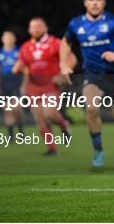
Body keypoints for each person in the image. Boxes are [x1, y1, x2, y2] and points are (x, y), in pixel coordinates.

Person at [60, 0, 114, 170]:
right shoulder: (76, 23)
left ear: (103, 2)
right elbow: (65, 42)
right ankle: (98, 151)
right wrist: (63, 64)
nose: (95, 3)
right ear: (85, 2)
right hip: (92, 76)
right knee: (91, 109)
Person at [17, 17, 74, 155]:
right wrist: (23, 85)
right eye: (33, 27)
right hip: (33, 87)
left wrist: (62, 74)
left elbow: (71, 59)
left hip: (51, 86)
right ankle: (52, 149)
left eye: (39, 26)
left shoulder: (56, 43)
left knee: (49, 113)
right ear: (29, 30)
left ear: (45, 28)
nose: (36, 29)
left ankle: (63, 124)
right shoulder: (25, 47)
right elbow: (24, 68)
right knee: (40, 119)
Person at [0, 31, 25, 141]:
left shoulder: (19, 51)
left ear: (14, 39)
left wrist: (25, 84)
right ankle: (11, 135)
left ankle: (20, 130)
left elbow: (25, 69)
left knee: (17, 108)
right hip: (4, 84)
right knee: (7, 109)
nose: (8, 39)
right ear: (2, 39)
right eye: (6, 37)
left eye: (10, 36)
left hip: (17, 82)